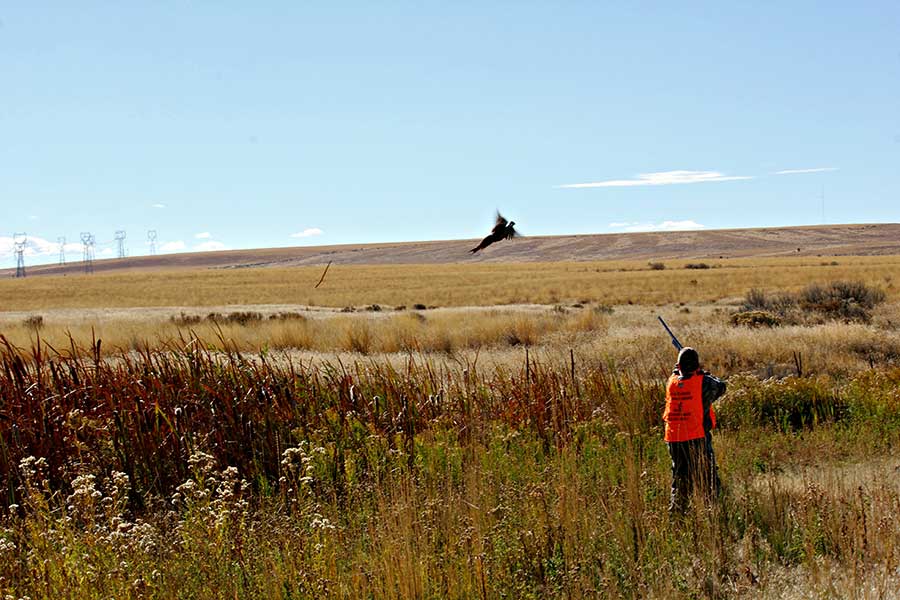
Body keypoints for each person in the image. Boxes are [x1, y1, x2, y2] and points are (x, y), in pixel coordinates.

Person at [663, 347, 726, 514]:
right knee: (707, 478)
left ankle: (677, 515)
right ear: (696, 366)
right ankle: (713, 513)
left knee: (680, 478)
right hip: (696, 438)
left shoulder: (672, 382)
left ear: (678, 366)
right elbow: (721, 387)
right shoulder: (703, 383)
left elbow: (678, 375)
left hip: (673, 439)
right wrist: (703, 373)